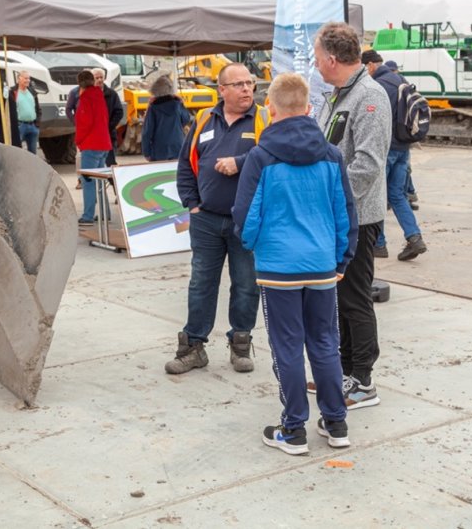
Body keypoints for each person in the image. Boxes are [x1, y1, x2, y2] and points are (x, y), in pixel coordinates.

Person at [232, 73, 358, 455]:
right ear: (308, 109)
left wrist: (255, 246)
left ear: (270, 109)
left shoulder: (260, 157)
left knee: (287, 346)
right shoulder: (332, 155)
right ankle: (336, 423)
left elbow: (246, 215)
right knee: (325, 343)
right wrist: (341, 258)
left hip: (278, 267)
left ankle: (294, 428)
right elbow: (345, 213)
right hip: (321, 265)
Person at [165, 63, 270, 375]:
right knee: (201, 285)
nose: (246, 89)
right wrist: (192, 204)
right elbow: (186, 164)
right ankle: (193, 347)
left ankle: (240, 344)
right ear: (221, 90)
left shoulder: (264, 118)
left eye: (249, 83)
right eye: (237, 84)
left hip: (247, 222)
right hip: (206, 220)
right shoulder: (203, 119)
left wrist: (241, 162)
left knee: (247, 285)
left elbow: (276, 156)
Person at [314, 22, 391, 410]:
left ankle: (363, 381)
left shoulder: (369, 98)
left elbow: (368, 165)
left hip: (356, 216)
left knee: (355, 298)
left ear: (330, 59)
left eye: (316, 56)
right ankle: (342, 372)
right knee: (339, 298)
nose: (314, 62)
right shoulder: (338, 95)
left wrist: (336, 207)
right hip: (337, 215)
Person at [363, 51, 427, 262]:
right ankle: (414, 237)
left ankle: (379, 244)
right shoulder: (400, 79)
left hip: (387, 148)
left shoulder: (379, 85)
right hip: (404, 148)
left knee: (378, 195)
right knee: (397, 195)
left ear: (371, 65)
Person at [74, 69, 113, 224]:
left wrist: (78, 141)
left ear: (79, 84)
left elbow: (84, 124)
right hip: (103, 143)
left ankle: (88, 215)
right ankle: (105, 213)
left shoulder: (85, 99)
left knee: (88, 181)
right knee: (99, 180)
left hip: (91, 144)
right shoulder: (99, 96)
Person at [142, 75, 192, 161]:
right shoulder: (177, 104)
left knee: (161, 174)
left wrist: (147, 152)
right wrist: (182, 102)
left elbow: (147, 132)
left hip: (159, 148)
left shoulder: (153, 107)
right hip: (178, 146)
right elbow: (186, 119)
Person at [92, 67, 124, 168]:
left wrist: (109, 126)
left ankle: (114, 183)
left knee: (110, 163)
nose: (99, 80)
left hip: (109, 135)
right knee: (95, 165)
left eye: (101, 77)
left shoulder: (111, 94)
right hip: (93, 136)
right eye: (97, 78)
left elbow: (119, 112)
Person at [11, 71, 42, 155]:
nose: (28, 80)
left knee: (33, 154)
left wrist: (37, 123)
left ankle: (31, 168)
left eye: (28, 78)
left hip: (33, 126)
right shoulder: (13, 92)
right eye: (25, 78)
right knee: (17, 152)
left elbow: (38, 108)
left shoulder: (32, 92)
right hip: (20, 126)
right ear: (19, 79)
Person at [66, 84, 82, 189]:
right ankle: (80, 180)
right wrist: (75, 121)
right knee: (80, 155)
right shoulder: (75, 92)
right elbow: (68, 109)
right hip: (81, 129)